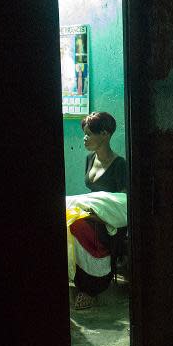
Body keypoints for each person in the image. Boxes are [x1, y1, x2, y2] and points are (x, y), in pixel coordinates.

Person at [72, 111, 127, 309]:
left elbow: (122, 206)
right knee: (70, 222)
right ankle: (80, 280)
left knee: (78, 226)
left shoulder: (119, 165)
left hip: (109, 224)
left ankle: (93, 287)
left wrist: (97, 216)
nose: (85, 138)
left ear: (105, 134)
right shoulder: (89, 159)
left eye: (89, 134)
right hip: (91, 215)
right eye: (84, 133)